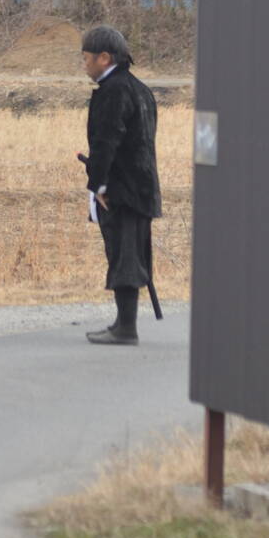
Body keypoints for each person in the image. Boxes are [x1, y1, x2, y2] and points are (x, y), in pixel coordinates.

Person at [80, 23, 162, 346]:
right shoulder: (140, 89)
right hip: (142, 187)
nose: (84, 65)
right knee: (131, 254)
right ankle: (123, 323)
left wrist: (98, 184)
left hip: (123, 190)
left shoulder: (113, 91)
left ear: (104, 57)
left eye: (86, 58)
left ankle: (126, 328)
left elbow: (107, 141)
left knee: (124, 256)